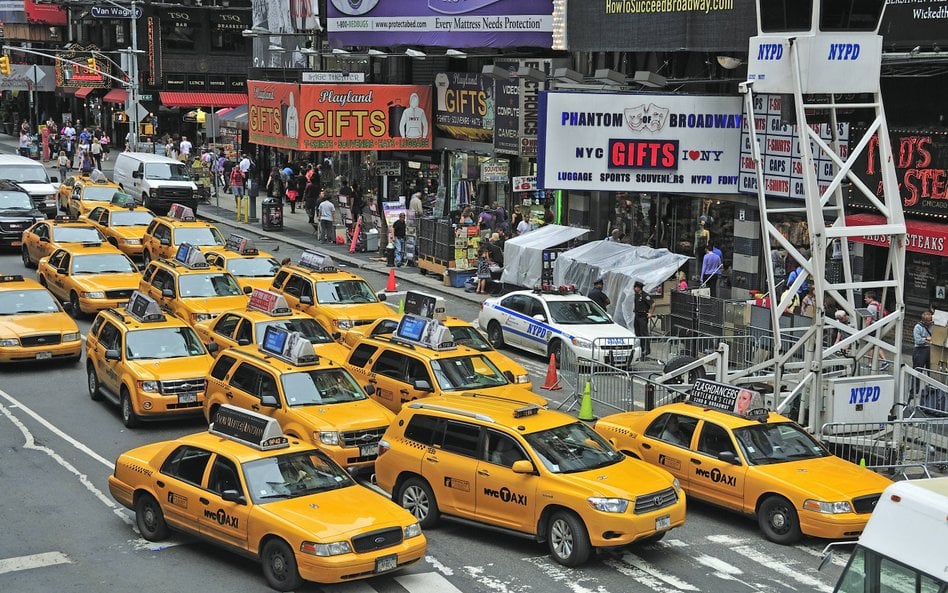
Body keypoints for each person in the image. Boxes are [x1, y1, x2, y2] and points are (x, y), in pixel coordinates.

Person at [633, 281, 655, 356]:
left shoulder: (645, 295)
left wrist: (650, 313)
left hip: (643, 316)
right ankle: (641, 348)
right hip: (637, 315)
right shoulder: (636, 295)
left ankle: (647, 349)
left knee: (644, 333)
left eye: (635, 287)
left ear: (639, 288)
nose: (634, 289)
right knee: (638, 332)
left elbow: (653, 304)